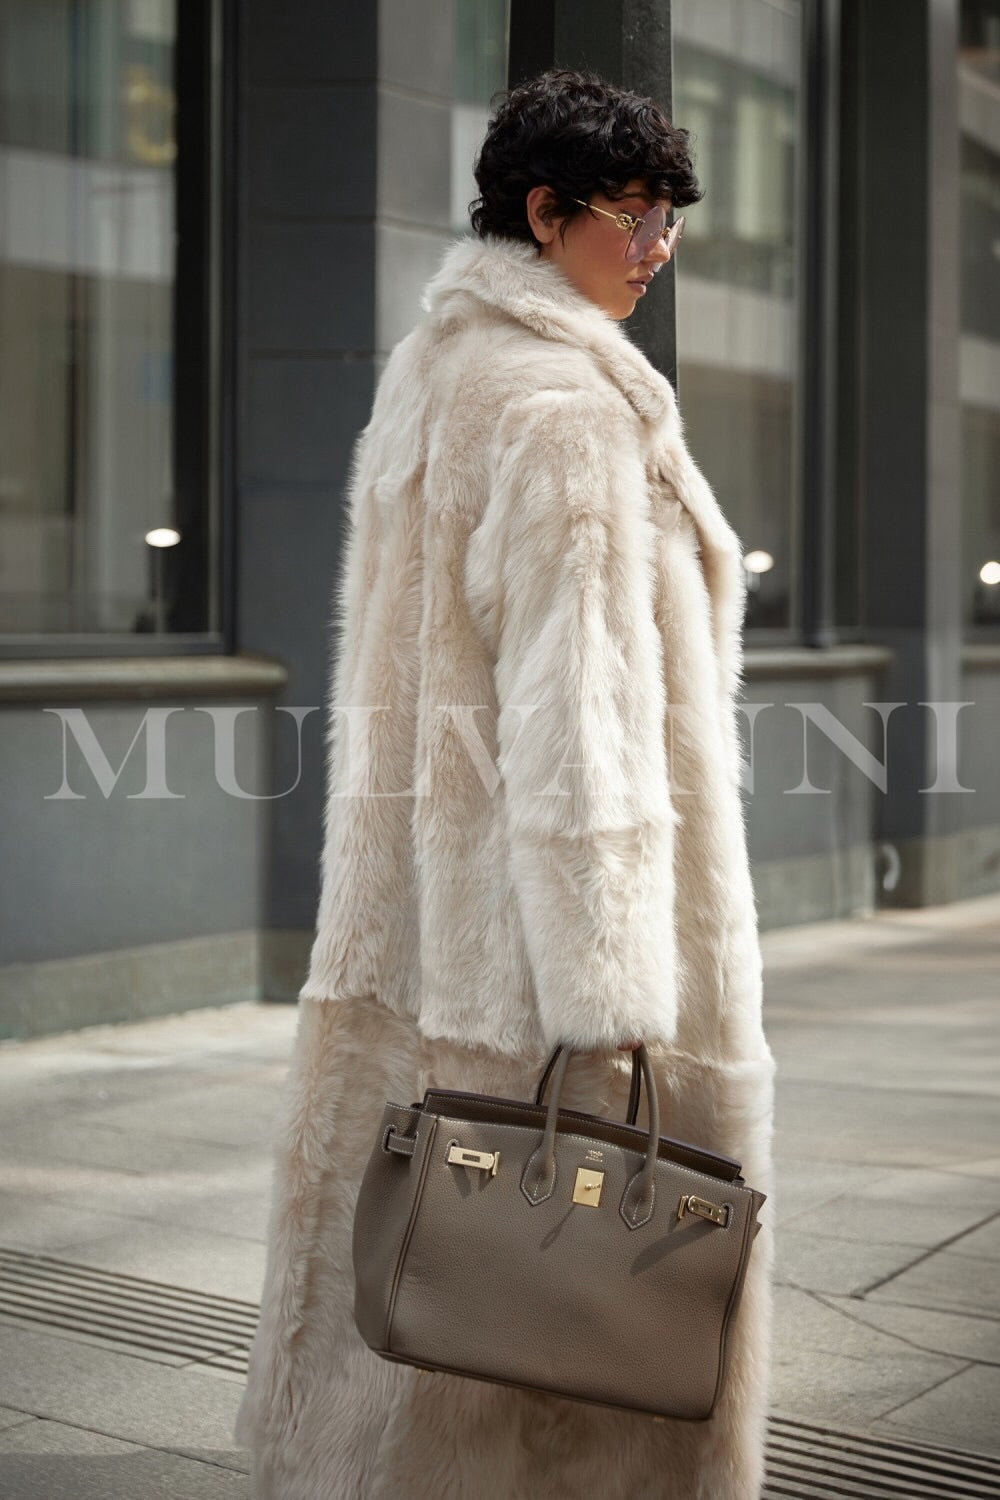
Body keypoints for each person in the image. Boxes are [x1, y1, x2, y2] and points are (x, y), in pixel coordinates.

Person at [234, 66, 777, 1500]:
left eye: (669, 218)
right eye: (638, 215)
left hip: (429, 904)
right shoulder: (563, 407)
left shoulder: (439, 372)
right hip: (549, 942)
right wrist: (613, 987)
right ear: (547, 214)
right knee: (567, 1313)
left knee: (425, 1257)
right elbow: (578, 711)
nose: (659, 249)